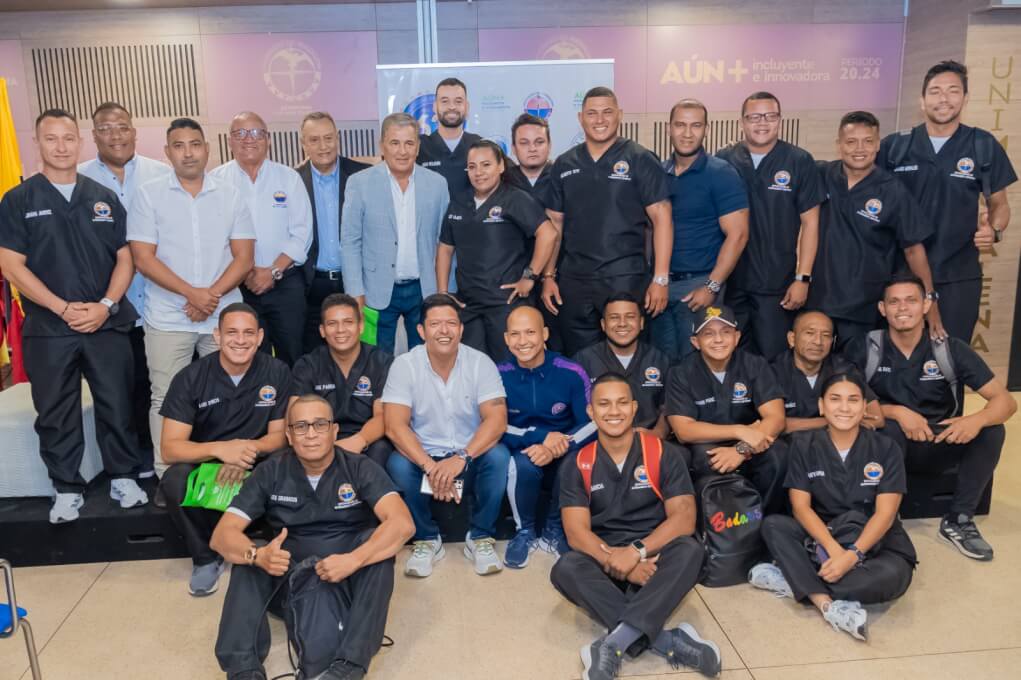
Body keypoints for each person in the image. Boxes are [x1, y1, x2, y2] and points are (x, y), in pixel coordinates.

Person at [0, 108, 148, 524]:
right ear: (38, 143)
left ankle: (123, 476)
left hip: (105, 322)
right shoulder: (18, 200)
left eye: (68, 138)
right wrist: (62, 308)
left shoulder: (103, 196)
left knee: (117, 403)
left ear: (79, 142)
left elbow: (125, 258)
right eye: (51, 139)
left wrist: (104, 305)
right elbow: (12, 266)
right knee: (55, 410)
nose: (61, 146)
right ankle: (65, 488)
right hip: (50, 327)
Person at [211, 394, 415, 680]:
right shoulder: (270, 471)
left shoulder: (359, 467)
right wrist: (258, 557)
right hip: (286, 577)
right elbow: (221, 535)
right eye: (300, 426)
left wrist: (354, 560)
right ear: (289, 435)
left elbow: (403, 524)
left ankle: (350, 666)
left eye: (319, 425)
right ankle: (243, 669)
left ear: (333, 431)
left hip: (346, 579)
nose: (310, 434)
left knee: (378, 547)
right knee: (249, 551)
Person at [551, 374, 721, 680]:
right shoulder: (578, 463)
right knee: (566, 567)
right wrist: (620, 563)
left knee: (691, 550)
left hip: (656, 556)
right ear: (591, 412)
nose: (613, 411)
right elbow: (576, 533)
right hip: (607, 561)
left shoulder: (663, 453)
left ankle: (613, 644)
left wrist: (637, 552)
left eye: (620, 403)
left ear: (633, 408)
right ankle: (667, 641)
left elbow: (683, 517)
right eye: (603, 404)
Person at [844, 274, 1016, 561]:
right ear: (882, 309)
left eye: (911, 300)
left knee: (992, 430)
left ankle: (959, 520)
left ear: (925, 305)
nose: (902, 308)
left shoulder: (950, 348)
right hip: (889, 447)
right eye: (894, 301)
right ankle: (887, 519)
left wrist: (973, 420)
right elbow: (845, 405)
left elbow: (1006, 402)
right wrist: (896, 411)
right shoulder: (866, 347)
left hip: (939, 439)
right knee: (889, 430)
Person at [128, 117, 255, 474]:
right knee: (165, 396)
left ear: (207, 149)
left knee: (232, 393)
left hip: (223, 315)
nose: (188, 153)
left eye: (195, 144)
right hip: (167, 316)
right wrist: (192, 294)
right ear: (167, 152)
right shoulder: (148, 194)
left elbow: (244, 257)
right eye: (179, 146)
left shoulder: (229, 194)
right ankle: (166, 473)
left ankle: (230, 471)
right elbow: (143, 258)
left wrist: (209, 296)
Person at [749, 373, 917, 642]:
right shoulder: (804, 445)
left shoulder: (886, 448)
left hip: (874, 542)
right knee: (773, 526)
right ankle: (825, 603)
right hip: (822, 536)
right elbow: (800, 507)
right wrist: (834, 548)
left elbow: (885, 514)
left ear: (864, 407)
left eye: (853, 400)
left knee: (891, 578)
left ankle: (796, 579)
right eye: (835, 399)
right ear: (821, 406)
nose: (844, 407)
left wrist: (851, 556)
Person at [878, 60, 1017, 343]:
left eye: (953, 91)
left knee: (951, 359)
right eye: (935, 91)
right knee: (900, 360)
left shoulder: (982, 144)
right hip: (901, 273)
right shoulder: (895, 146)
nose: (944, 99)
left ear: (965, 98)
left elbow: (999, 204)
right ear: (922, 99)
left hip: (958, 275)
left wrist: (994, 230)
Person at [158, 303, 291, 596]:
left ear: (259, 337)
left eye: (248, 333)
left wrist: (243, 453)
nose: (240, 340)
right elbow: (169, 448)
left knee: (289, 464)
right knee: (174, 479)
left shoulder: (277, 371)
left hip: (259, 461)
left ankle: (276, 547)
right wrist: (220, 450)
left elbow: (280, 437)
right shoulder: (190, 378)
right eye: (231, 332)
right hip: (209, 463)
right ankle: (206, 558)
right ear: (217, 336)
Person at [381, 294, 510, 577]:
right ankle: (427, 540)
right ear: (421, 330)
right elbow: (394, 426)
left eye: (451, 323)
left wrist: (461, 457)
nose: (444, 330)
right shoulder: (404, 365)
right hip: (424, 461)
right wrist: (431, 467)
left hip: (469, 456)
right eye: (435, 324)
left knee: (499, 456)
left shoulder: (480, 363)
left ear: (461, 329)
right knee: (397, 464)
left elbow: (497, 420)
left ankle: (480, 538)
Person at [540, 86, 673, 356]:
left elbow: (662, 219)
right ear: (580, 118)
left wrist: (660, 279)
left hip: (624, 277)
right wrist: (548, 275)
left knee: (628, 356)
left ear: (620, 115)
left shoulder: (640, 158)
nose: (599, 120)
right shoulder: (564, 164)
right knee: (580, 359)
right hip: (574, 281)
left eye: (607, 112)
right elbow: (555, 223)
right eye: (592, 113)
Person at [79, 101, 172, 470]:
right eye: (105, 128)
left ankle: (160, 455)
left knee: (158, 384)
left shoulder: (161, 173)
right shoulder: (79, 178)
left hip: (156, 299)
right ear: (94, 135)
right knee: (116, 386)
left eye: (122, 127)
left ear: (134, 131)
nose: (115, 135)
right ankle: (125, 463)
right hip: (106, 301)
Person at [807, 110, 944, 350]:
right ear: (839, 145)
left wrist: (929, 301)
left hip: (864, 307)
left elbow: (914, 250)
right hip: (818, 302)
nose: (859, 148)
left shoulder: (893, 190)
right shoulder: (821, 174)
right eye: (851, 141)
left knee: (857, 378)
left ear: (878, 144)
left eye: (868, 141)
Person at [718, 92, 824, 360]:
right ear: (742, 121)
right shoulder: (724, 160)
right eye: (754, 117)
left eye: (770, 116)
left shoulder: (799, 161)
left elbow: (811, 223)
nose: (762, 123)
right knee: (730, 359)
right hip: (732, 284)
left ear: (779, 120)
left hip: (777, 285)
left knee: (774, 360)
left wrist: (803, 278)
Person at [436, 139, 557, 359]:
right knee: (474, 372)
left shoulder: (515, 198)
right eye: (472, 167)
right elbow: (445, 249)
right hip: (469, 305)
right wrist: (443, 293)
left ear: (500, 166)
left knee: (510, 368)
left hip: (506, 304)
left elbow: (548, 234)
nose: (478, 172)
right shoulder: (459, 203)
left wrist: (530, 276)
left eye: (486, 165)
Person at [341, 112, 450, 355]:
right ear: (382, 146)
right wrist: (355, 292)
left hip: (424, 289)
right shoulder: (359, 183)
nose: (402, 151)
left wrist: (444, 291)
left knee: (425, 361)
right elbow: (350, 242)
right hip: (374, 290)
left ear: (418, 147)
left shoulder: (437, 184)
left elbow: (446, 242)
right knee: (375, 362)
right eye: (395, 143)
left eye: (409, 143)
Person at [210, 111, 312, 366]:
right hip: (236, 288)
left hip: (285, 283)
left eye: (256, 133)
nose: (248, 139)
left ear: (268, 140)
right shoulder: (215, 181)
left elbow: (302, 233)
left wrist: (273, 271)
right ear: (230, 142)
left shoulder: (288, 178)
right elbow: (213, 238)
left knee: (293, 355)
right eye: (240, 133)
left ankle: (291, 406)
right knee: (248, 360)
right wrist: (245, 272)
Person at [665, 305, 788, 513]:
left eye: (726, 332)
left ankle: (764, 520)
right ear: (695, 341)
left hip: (750, 443)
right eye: (708, 334)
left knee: (779, 454)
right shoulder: (681, 373)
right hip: (706, 444)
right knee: (708, 457)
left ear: (737, 337)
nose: (719, 340)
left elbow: (776, 418)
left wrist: (741, 449)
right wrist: (739, 430)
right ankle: (723, 531)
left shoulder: (754, 364)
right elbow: (684, 430)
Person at [653, 99, 749, 363]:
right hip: (660, 287)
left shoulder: (721, 173)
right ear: (669, 129)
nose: (687, 133)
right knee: (661, 366)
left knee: (696, 366)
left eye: (695, 125)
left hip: (699, 285)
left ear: (706, 129)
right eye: (680, 125)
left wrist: (712, 285)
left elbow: (738, 235)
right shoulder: (658, 172)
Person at [498, 305, 594, 568]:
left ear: (545, 334)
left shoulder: (571, 371)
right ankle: (525, 532)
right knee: (521, 465)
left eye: (530, 332)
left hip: (566, 446)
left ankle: (554, 530)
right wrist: (539, 438)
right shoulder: (497, 374)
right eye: (515, 334)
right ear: (506, 339)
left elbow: (591, 423)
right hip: (524, 447)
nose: (523, 341)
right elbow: (494, 425)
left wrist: (559, 445)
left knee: (573, 464)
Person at [295, 111, 371, 354]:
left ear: (337, 138)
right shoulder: (292, 180)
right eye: (314, 140)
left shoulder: (363, 175)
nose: (323, 146)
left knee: (362, 354)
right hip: (310, 284)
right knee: (312, 355)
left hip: (357, 282)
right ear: (303, 143)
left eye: (328, 138)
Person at [290, 294, 394, 469]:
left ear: (360, 326)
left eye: (348, 322)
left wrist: (358, 441)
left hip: (365, 439)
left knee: (381, 449)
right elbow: (295, 415)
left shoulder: (382, 362)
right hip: (319, 439)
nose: (340, 330)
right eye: (332, 324)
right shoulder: (308, 365)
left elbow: (383, 417)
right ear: (322, 330)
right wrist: (325, 446)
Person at [574, 292, 671, 439]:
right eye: (614, 317)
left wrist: (658, 433)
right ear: (603, 325)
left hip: (650, 439)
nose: (622, 323)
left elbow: (669, 407)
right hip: (599, 442)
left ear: (641, 322)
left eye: (630, 317)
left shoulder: (660, 360)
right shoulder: (583, 361)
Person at [772, 310, 883, 434]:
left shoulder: (843, 368)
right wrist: (832, 421)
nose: (818, 342)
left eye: (825, 335)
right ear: (792, 338)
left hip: (835, 444)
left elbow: (876, 417)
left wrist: (797, 424)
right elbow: (771, 424)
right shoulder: (773, 371)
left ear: (832, 341)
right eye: (810, 333)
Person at [416, 77, 482, 205]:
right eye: (445, 101)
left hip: (470, 223)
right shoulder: (419, 146)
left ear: (467, 107)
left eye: (458, 101)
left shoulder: (480, 145)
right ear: (435, 107)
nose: (452, 107)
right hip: (432, 223)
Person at [507, 112, 552, 196]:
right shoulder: (503, 181)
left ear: (549, 146)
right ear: (513, 149)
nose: (532, 149)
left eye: (539, 142)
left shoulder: (562, 177)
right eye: (524, 143)